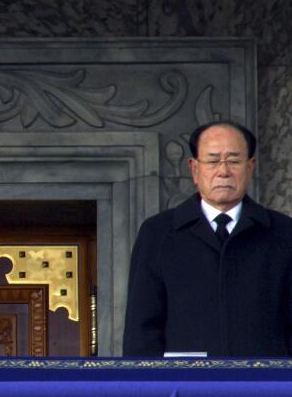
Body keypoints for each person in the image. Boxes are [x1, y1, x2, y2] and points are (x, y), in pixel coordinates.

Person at [123, 120, 292, 357]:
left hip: (265, 387)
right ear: (194, 169)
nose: (223, 171)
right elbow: (141, 329)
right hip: (183, 388)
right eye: (213, 161)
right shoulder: (158, 233)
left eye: (233, 160)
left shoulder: (283, 233)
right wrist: (147, 390)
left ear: (250, 167)